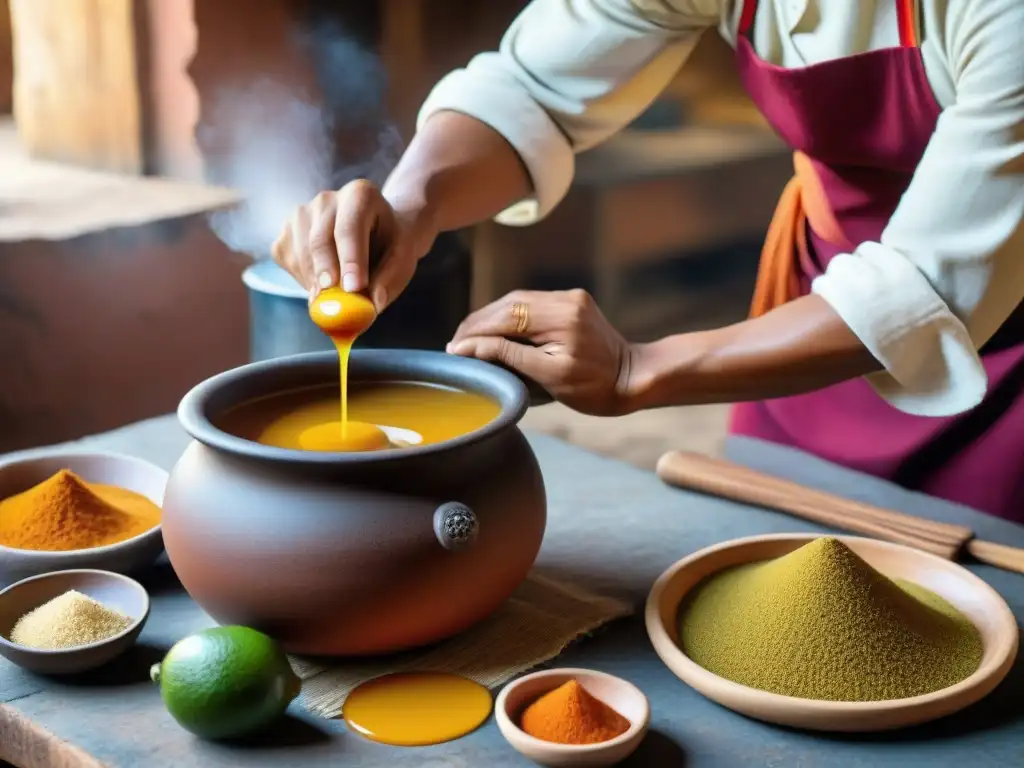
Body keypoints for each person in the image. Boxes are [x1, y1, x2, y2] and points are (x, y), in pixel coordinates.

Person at [272, 0, 1024, 520]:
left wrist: (638, 369)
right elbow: (533, 88)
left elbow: (924, 285)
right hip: (811, 302)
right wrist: (411, 204)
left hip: (999, 348)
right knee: (768, 545)